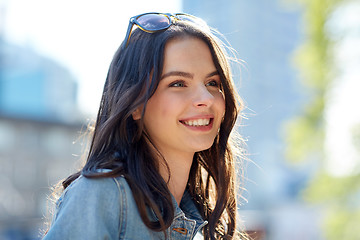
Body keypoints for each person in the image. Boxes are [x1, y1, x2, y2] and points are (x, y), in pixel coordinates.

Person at [43, 12, 246, 240]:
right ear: (135, 104)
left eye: (212, 83)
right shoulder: (102, 195)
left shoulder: (203, 221)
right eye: (178, 83)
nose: (206, 98)